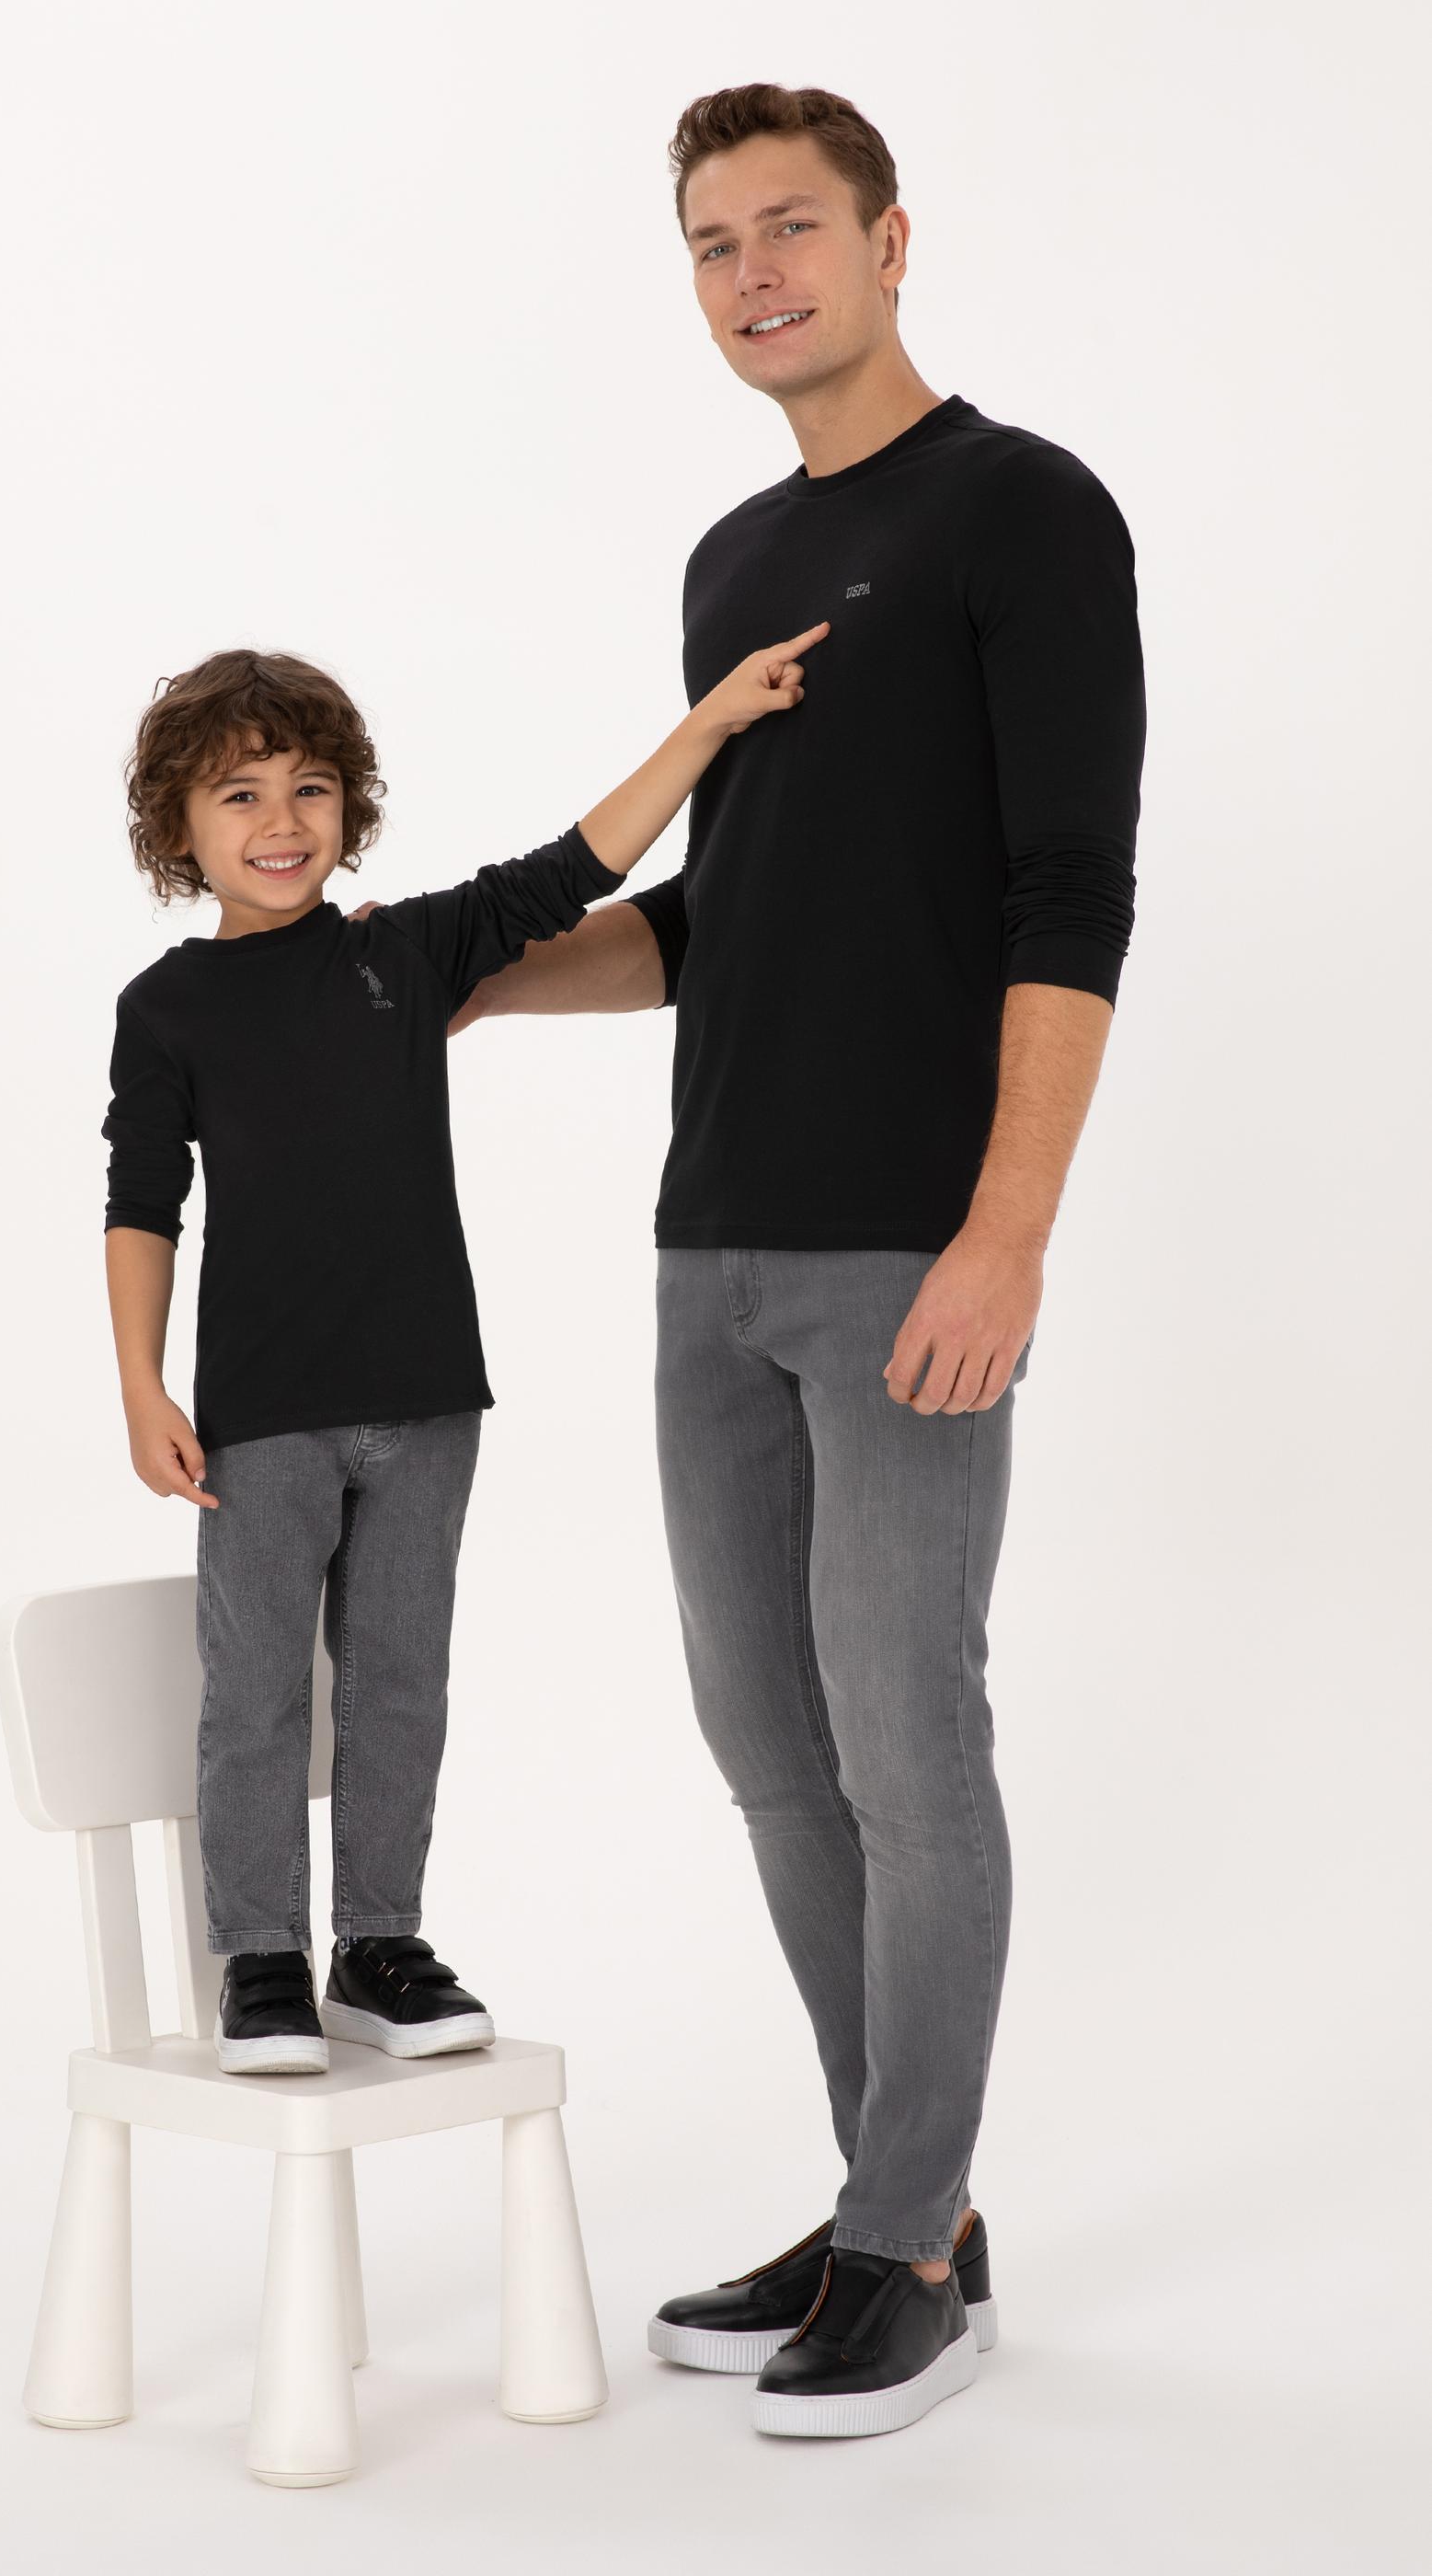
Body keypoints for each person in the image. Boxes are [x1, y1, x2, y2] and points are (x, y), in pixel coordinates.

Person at [446, 83, 1147, 2437]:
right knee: (771, 1748)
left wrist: (1005, 1232)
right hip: (710, 1253)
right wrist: (454, 980)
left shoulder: (1021, 509)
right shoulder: (734, 560)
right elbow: (713, 920)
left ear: (887, 239)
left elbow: (1068, 892)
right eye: (711, 243)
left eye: (790, 227)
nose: (752, 273)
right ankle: (898, 2203)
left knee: (905, 1741)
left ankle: (903, 2243)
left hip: (906, 1255)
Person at [101, 630, 824, 2076]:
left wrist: (710, 726)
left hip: (429, 1404)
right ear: (179, 828)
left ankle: (379, 1943)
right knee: (257, 1696)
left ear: (348, 808)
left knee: (399, 1688)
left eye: (310, 789)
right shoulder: (167, 1008)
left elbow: (575, 867)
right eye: (240, 795)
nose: (282, 822)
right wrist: (140, 1387)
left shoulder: (406, 954)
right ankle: (261, 1958)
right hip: (263, 1417)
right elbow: (142, 1202)